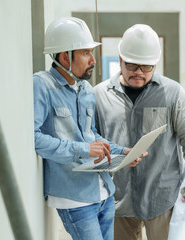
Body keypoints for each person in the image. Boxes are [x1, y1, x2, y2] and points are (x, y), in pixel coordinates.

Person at [94, 24, 185, 240]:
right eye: (132, 66)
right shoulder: (100, 95)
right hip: (117, 200)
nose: (139, 72)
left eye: (146, 67)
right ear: (120, 59)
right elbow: (92, 143)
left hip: (162, 199)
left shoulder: (173, 94)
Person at [33, 17, 142, 240]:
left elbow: (92, 137)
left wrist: (122, 153)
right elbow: (34, 139)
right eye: (85, 53)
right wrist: (84, 150)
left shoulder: (86, 89)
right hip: (74, 199)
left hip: (104, 193)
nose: (93, 60)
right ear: (65, 56)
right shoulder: (41, 86)